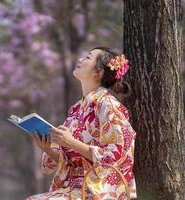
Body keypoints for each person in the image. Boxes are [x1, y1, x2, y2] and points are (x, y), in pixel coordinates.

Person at [25, 46, 137, 200]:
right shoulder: (76, 109)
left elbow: (117, 154)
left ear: (99, 72)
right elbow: (69, 160)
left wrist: (71, 143)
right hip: (74, 189)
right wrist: (48, 148)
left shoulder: (109, 106)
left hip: (99, 191)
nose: (80, 60)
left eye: (88, 57)